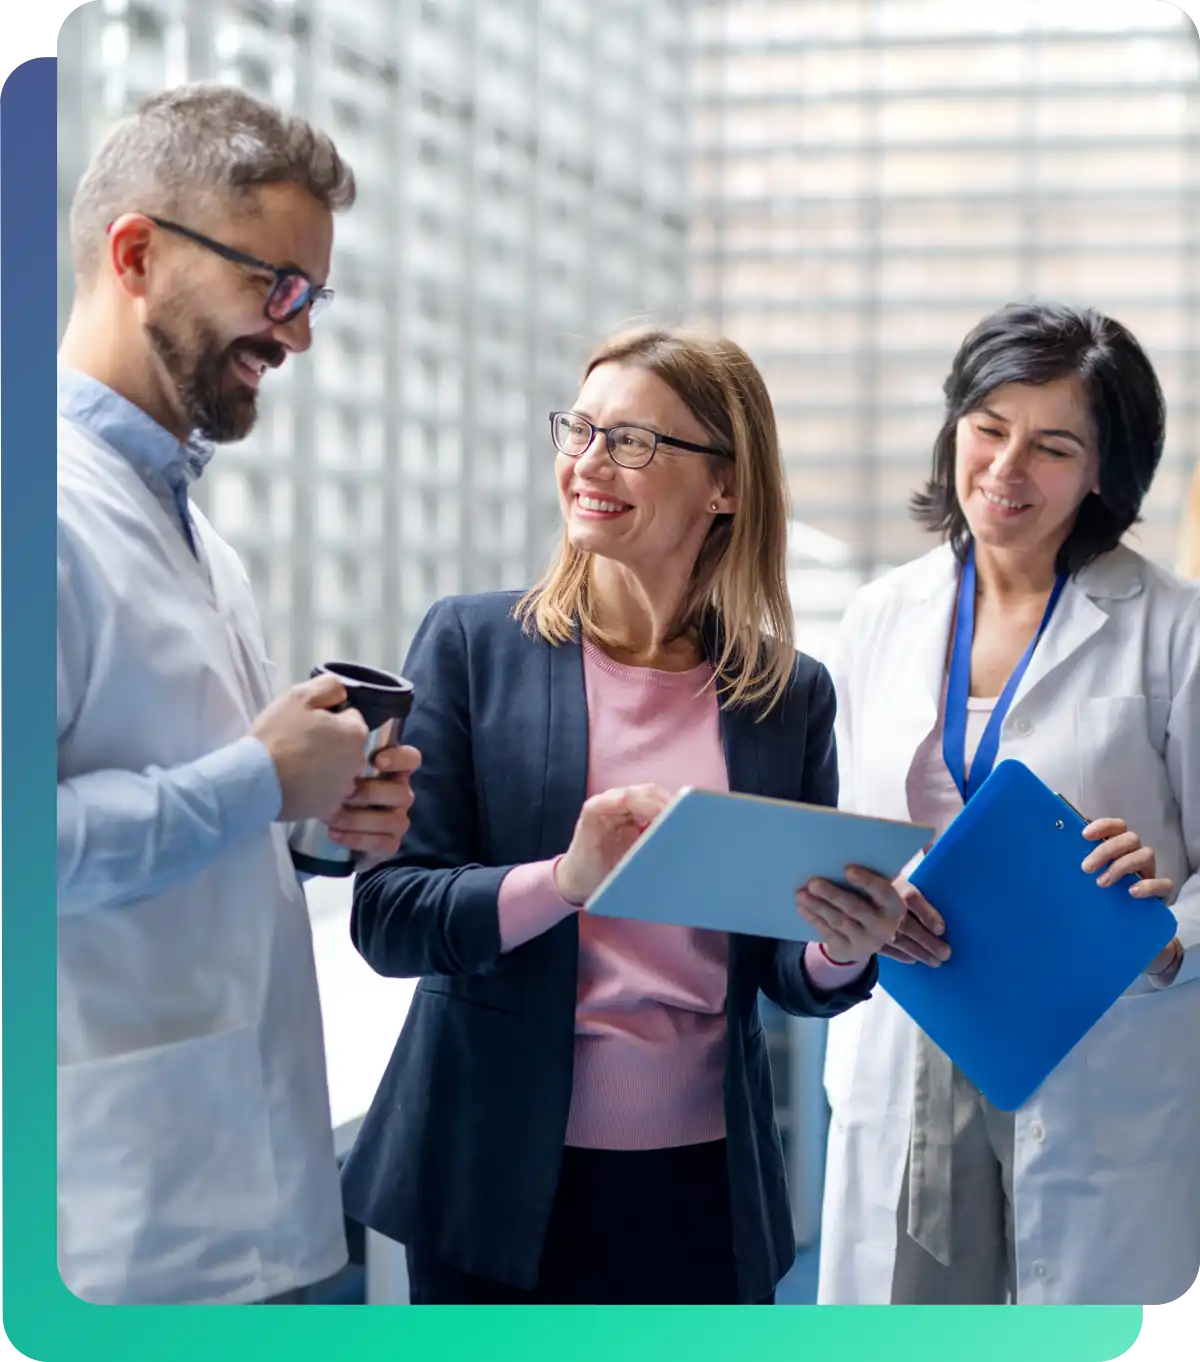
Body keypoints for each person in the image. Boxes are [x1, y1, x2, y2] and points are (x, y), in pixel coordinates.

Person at [339, 324, 907, 1305]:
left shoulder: (786, 694)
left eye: (634, 441)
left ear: (724, 486)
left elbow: (783, 965)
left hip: (701, 1185)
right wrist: (565, 881)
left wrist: (842, 946)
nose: (590, 463)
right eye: (580, 430)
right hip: (492, 1176)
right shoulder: (473, 645)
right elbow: (388, 918)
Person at [57, 83, 421, 1305]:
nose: (298, 334)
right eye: (278, 288)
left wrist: (320, 818)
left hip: (264, 1196)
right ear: (136, 254)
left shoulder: (204, 540)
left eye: (312, 297)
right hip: (123, 1234)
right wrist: (257, 778)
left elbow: (201, 799)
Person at [812, 301, 1200, 1306]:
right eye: (987, 426)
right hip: (912, 1031)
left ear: (1105, 473)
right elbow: (847, 825)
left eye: (1053, 446)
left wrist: (1166, 938)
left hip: (1092, 1042)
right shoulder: (882, 616)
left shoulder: (1171, 631)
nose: (1004, 468)